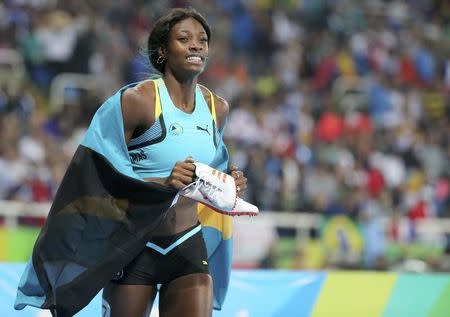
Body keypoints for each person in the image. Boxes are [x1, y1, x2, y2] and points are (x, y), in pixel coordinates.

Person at [100, 7, 248, 317]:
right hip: (134, 242)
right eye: (184, 39)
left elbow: (212, 168)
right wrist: (161, 183)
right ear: (163, 51)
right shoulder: (137, 102)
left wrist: (229, 181)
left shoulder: (216, 108)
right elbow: (101, 176)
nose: (196, 45)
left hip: (188, 243)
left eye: (202, 40)